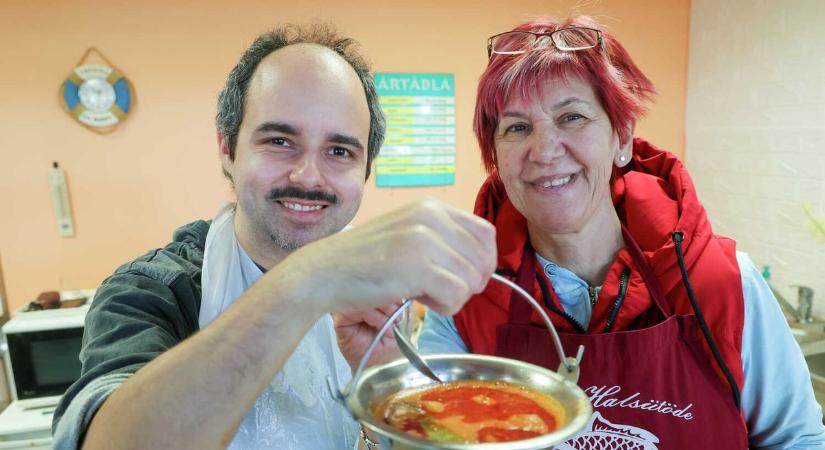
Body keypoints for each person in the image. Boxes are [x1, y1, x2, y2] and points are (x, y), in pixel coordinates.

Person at [52, 24, 497, 450]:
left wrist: (381, 386)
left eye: (340, 151)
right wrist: (306, 282)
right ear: (228, 148)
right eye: (280, 141)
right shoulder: (151, 290)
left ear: (366, 168)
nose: (308, 176)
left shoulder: (378, 289)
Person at [418, 16, 825, 448]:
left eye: (571, 116)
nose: (544, 150)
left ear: (622, 137)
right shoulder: (463, 298)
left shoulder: (725, 284)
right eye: (517, 127)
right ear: (495, 157)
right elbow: (421, 437)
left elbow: (796, 438)